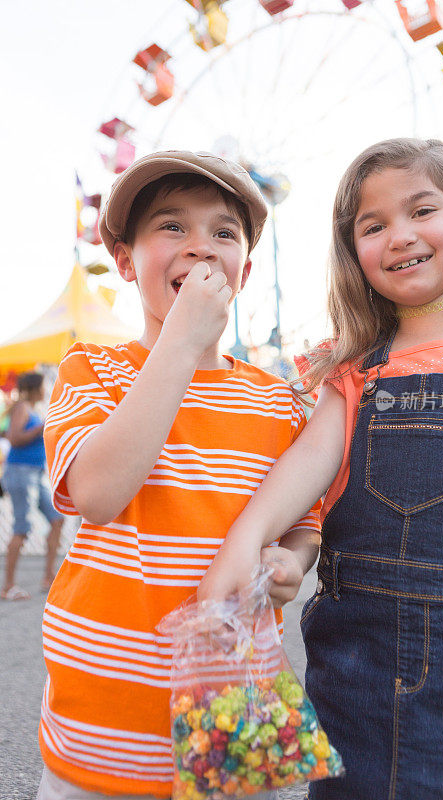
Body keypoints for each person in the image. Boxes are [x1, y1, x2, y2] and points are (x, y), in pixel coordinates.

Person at [199, 138, 443, 799]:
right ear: (351, 250)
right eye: (372, 225)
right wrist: (242, 540)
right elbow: (308, 459)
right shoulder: (352, 369)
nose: (398, 236)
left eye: (420, 210)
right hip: (352, 662)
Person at [37, 150, 321, 800]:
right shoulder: (93, 370)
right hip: (99, 719)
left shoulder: (278, 401)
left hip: (232, 702)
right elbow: (99, 495)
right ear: (125, 261)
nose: (199, 247)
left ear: (243, 269)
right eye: (171, 226)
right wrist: (179, 344)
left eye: (222, 232)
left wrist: (291, 562)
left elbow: (305, 524)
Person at [1, 372, 63, 600]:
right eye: (43, 385)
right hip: (20, 473)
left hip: (35, 474)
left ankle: (49, 576)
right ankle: (8, 587)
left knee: (57, 519)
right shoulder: (22, 408)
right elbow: (13, 438)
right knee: (21, 527)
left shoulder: (30, 409)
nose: (46, 388)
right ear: (35, 388)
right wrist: (42, 428)